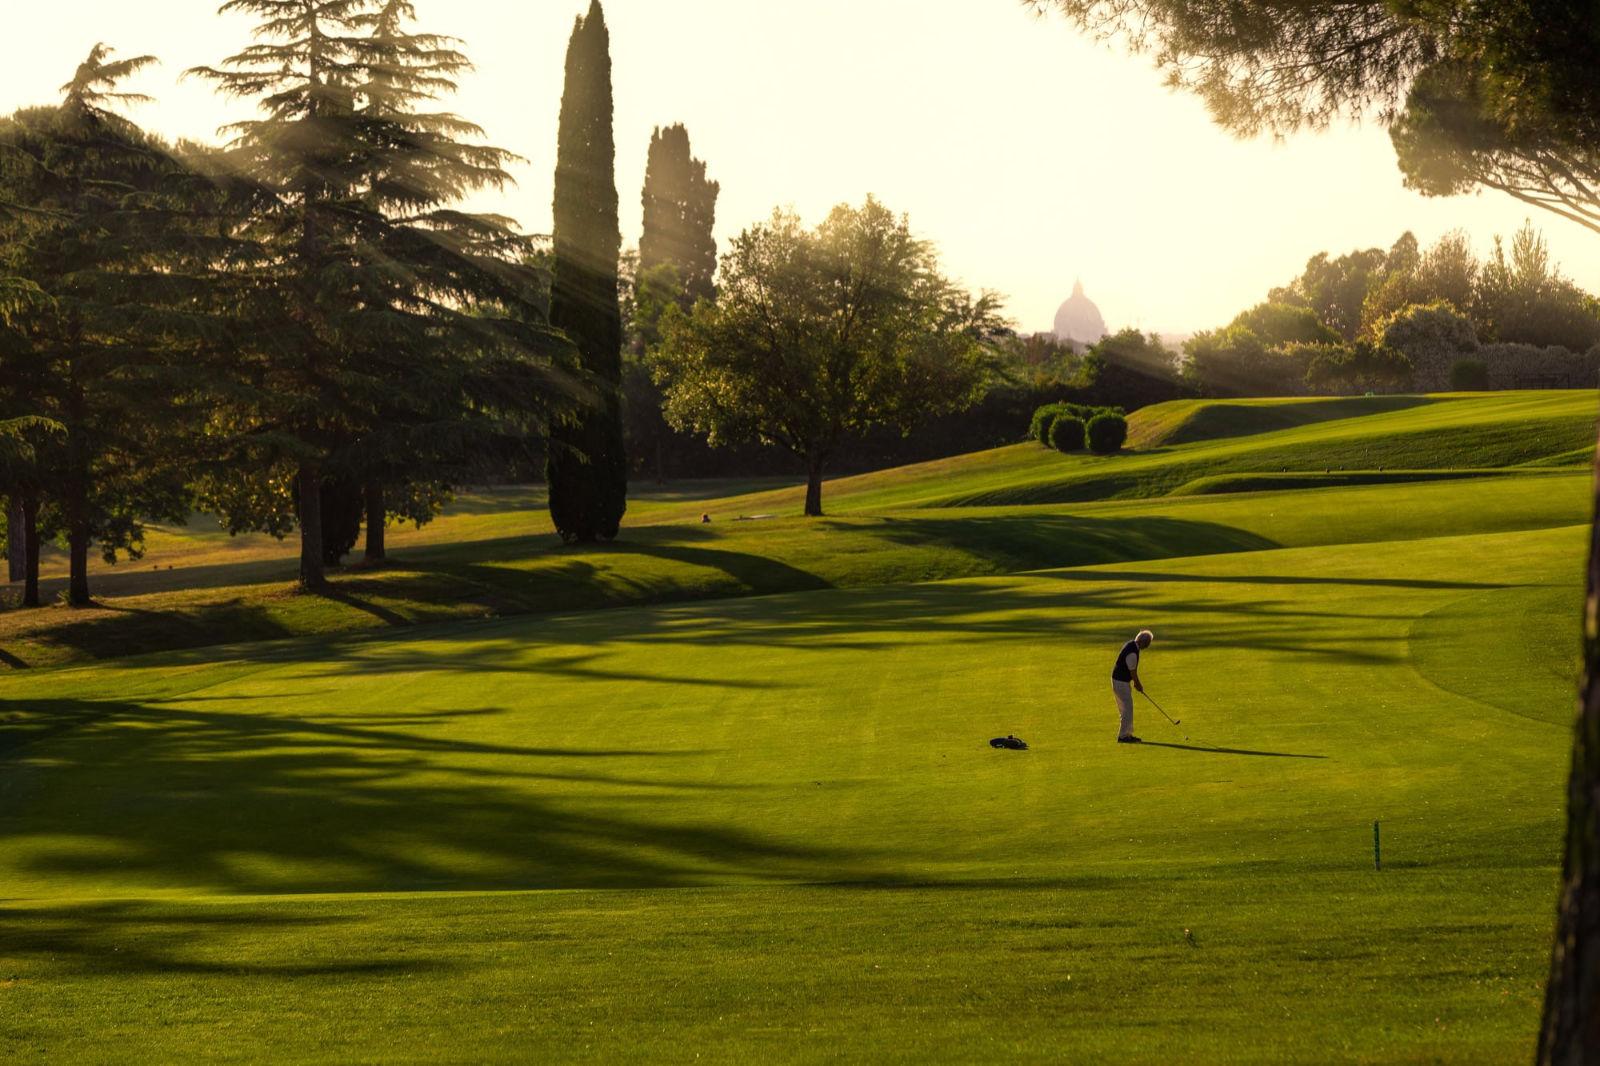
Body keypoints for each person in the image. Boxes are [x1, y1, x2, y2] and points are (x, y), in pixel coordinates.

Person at [1111, 629, 1153, 743]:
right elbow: (1133, 672)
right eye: (1148, 644)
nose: (1148, 646)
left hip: (1120, 681)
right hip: (1121, 682)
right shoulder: (1133, 653)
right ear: (1144, 643)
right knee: (1126, 709)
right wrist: (1138, 684)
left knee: (1127, 708)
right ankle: (1124, 736)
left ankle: (1127, 734)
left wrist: (1136, 684)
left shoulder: (1131, 645)